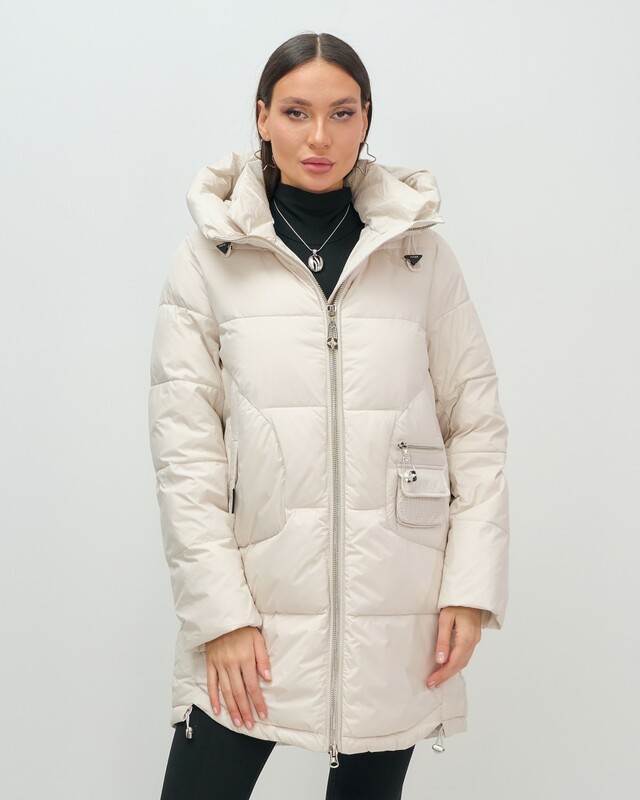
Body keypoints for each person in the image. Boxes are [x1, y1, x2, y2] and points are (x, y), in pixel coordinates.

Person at [148, 31, 510, 800]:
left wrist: (469, 588)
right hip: (254, 608)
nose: (320, 136)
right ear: (262, 117)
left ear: (366, 118)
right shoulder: (209, 259)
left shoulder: (420, 257)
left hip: (397, 611)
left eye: (342, 113)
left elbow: (475, 428)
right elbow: (186, 455)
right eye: (296, 112)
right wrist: (221, 616)